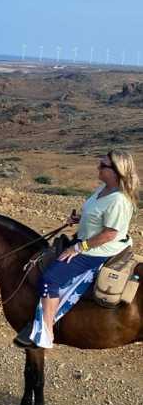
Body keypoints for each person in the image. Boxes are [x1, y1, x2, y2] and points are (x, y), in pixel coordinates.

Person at [15, 149, 139, 349]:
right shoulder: (102, 189)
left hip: (100, 250)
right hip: (88, 241)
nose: (98, 167)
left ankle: (45, 333)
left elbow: (109, 234)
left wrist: (79, 248)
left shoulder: (118, 200)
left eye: (103, 165)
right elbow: (98, 219)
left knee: (50, 280)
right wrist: (79, 220)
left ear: (116, 171)